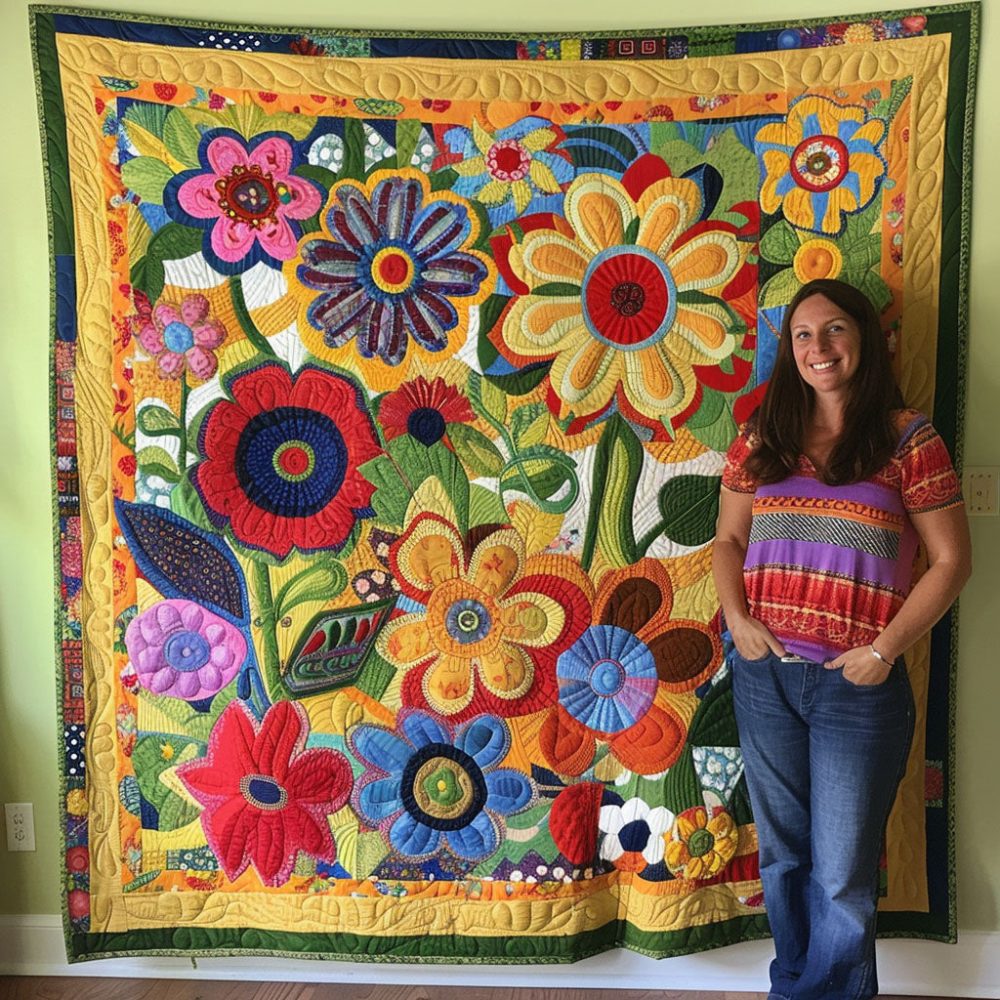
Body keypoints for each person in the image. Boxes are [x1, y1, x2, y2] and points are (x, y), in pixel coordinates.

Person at [712, 278, 971, 1000]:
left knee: (841, 875)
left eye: (834, 331)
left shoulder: (907, 439)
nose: (818, 347)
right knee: (783, 861)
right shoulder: (764, 435)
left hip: (856, 688)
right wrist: (739, 622)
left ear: (863, 340)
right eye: (802, 334)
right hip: (765, 677)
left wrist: (884, 652)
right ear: (788, 349)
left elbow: (952, 562)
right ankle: (794, 989)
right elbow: (728, 540)